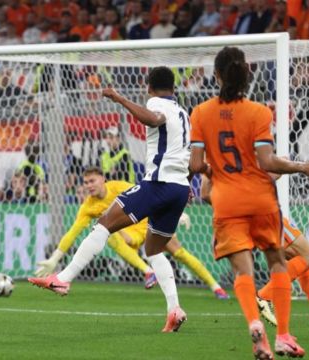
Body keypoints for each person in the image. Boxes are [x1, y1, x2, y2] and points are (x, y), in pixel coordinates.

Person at [30, 67, 192, 333]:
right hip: (179, 188)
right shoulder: (185, 113)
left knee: (104, 223)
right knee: (154, 250)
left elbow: (153, 119)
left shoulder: (156, 103)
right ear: (173, 87)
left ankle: (63, 278)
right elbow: (187, 152)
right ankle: (174, 309)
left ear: (149, 86)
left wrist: (119, 98)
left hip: (159, 184)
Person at [189, 46, 309, 358]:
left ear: (217, 74)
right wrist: (302, 167)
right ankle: (284, 335)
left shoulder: (201, 113)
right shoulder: (260, 112)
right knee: (276, 262)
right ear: (247, 75)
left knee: (243, 272)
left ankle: (254, 323)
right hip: (261, 199)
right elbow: (267, 161)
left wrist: (215, 169)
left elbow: (195, 165)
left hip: (226, 201)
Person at [35, 166, 229, 299]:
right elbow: (72, 233)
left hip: (152, 222)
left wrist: (176, 213)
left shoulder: (118, 187)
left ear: (103, 179)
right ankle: (147, 272)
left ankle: (216, 286)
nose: (89, 185)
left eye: (92, 180)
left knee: (179, 253)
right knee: (105, 233)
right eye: (85, 182)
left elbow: (151, 197)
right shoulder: (88, 207)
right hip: (132, 236)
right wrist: (54, 259)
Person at [200, 175, 309, 328]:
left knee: (299, 257)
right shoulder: (244, 158)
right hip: (265, 213)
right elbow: (269, 172)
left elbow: (205, 194)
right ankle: (264, 296)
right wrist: (292, 166)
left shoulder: (214, 164)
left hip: (243, 220)